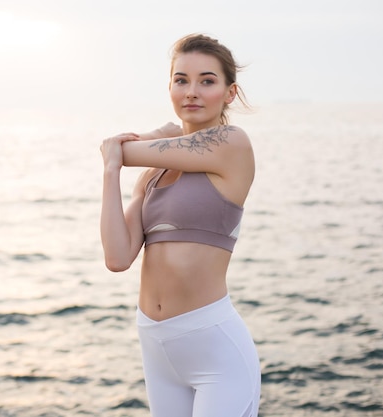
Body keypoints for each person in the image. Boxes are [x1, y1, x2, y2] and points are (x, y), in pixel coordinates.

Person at [99, 34, 261, 417]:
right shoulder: (154, 173)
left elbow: (122, 150)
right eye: (181, 80)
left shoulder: (231, 143)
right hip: (156, 346)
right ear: (170, 86)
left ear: (229, 93)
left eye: (207, 81)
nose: (192, 91)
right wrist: (109, 173)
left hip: (215, 352)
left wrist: (152, 137)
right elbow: (117, 257)